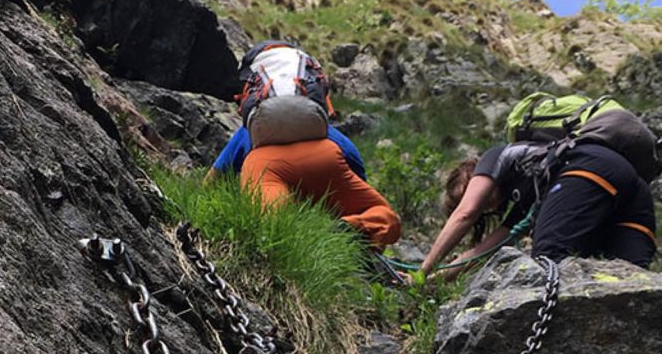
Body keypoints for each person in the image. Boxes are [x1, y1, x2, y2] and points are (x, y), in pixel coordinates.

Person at [421, 139, 657, 276]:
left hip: (586, 170)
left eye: (466, 190)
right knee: (634, 276)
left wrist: (422, 271)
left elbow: (466, 214)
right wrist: (436, 278)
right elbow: (484, 251)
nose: (480, 204)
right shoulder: (526, 203)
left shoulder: (494, 157)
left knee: (549, 259)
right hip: (631, 189)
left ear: (473, 173)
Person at [207, 122, 402, 250]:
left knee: (269, 232)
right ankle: (347, 226)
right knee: (382, 214)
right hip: (326, 156)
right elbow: (357, 191)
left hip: (265, 164)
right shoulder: (335, 136)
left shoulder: (249, 129)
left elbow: (212, 183)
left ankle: (282, 244)